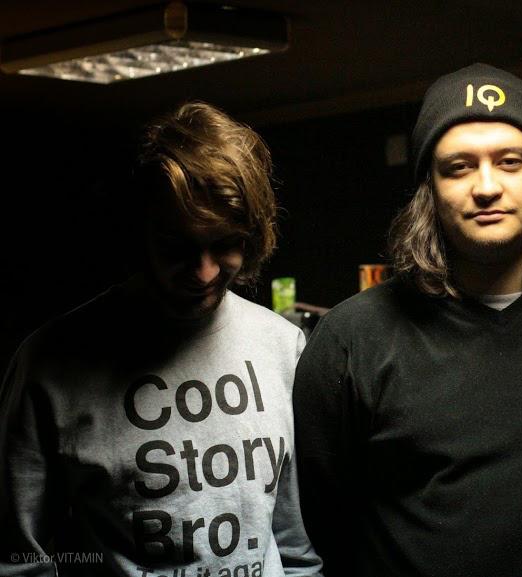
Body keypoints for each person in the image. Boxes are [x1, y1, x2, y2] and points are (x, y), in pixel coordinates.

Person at [293, 63, 522, 577]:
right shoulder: (351, 340)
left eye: (509, 162)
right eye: (459, 167)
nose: (486, 187)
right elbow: (326, 525)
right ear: (429, 188)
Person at [0, 102, 322, 577]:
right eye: (178, 247)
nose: (204, 272)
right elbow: (18, 558)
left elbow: (296, 547)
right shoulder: (49, 363)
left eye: (224, 244)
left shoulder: (283, 347)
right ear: (141, 232)